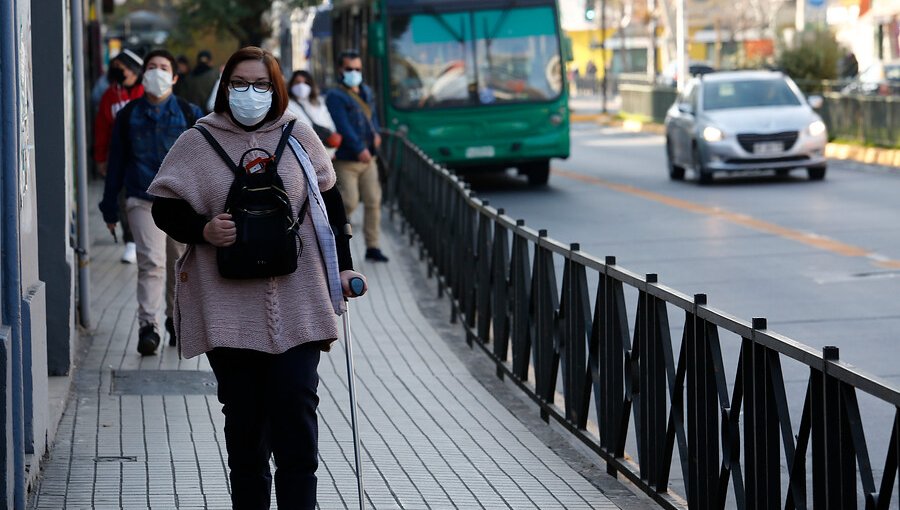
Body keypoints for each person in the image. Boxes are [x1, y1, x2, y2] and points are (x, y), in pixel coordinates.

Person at [146, 46, 366, 509]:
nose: (250, 93)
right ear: (225, 87)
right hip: (228, 309)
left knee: (296, 416)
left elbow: (331, 203)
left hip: (300, 300)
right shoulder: (198, 140)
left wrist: (344, 266)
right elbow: (165, 206)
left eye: (261, 85)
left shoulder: (299, 135)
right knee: (245, 427)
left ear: (276, 88)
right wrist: (202, 230)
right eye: (240, 83)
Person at [99, 49, 204, 355]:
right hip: (142, 198)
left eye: (163, 68)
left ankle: (175, 319)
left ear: (174, 76)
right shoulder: (128, 115)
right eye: (151, 67)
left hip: (182, 203)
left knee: (178, 262)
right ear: (143, 75)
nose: (157, 72)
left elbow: (203, 161)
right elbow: (116, 162)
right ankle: (149, 326)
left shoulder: (189, 113)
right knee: (152, 262)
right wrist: (109, 207)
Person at [326, 50, 389, 262]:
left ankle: (373, 247)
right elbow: (342, 125)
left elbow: (373, 115)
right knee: (350, 202)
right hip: (347, 159)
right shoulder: (335, 96)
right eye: (349, 69)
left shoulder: (366, 91)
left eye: (357, 69)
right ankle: (333, 235)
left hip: (369, 158)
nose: (354, 73)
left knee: (373, 201)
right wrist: (359, 147)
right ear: (340, 70)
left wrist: (376, 133)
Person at [94, 48, 145, 264]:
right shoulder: (110, 96)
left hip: (146, 157)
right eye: (115, 69)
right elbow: (102, 128)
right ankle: (131, 242)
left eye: (121, 69)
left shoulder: (147, 92)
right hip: (121, 158)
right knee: (124, 199)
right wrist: (100, 158)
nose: (118, 73)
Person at [286, 70, 338, 158]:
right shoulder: (287, 105)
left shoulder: (319, 102)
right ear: (291, 84)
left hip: (327, 154)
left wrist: (333, 149)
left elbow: (330, 125)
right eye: (298, 82)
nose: (302, 86)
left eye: (306, 82)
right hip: (305, 155)